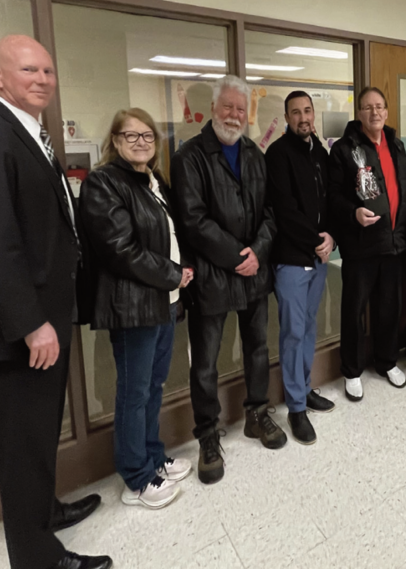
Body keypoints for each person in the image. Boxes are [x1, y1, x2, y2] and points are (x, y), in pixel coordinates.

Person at [0, 35, 110, 569]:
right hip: (19, 330)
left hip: (44, 321)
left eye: (47, 71)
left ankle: (44, 512)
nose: (41, 79)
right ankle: (38, 558)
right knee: (22, 447)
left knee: (39, 437)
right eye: (28, 70)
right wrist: (32, 324)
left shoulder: (29, 133)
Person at [170, 75, 284, 485]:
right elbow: (193, 221)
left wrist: (258, 252)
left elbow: (272, 213)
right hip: (213, 278)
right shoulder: (189, 157)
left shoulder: (255, 153)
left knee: (257, 349)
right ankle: (207, 435)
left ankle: (257, 414)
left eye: (241, 109)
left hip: (254, 274)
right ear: (213, 109)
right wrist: (238, 257)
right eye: (228, 107)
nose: (234, 116)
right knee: (205, 364)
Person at [80, 108, 195, 508]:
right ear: (114, 141)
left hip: (164, 302)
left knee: (153, 387)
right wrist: (172, 274)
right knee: (134, 391)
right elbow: (121, 251)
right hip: (133, 306)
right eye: (131, 136)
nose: (141, 142)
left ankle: (152, 456)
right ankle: (136, 478)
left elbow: (168, 233)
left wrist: (178, 276)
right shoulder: (103, 183)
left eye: (148, 136)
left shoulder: (152, 180)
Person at [327, 86, 406, 401]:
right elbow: (333, 195)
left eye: (379, 107)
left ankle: (387, 361)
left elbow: (404, 192)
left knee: (390, 307)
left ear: (386, 111)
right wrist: (353, 213)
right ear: (359, 113)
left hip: (393, 244)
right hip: (360, 245)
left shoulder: (396, 146)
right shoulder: (344, 150)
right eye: (367, 107)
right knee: (354, 310)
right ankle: (351, 370)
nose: (374, 113)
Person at [265, 91, 336, 445]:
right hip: (292, 260)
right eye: (296, 113)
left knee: (308, 328)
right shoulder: (277, 155)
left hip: (318, 258)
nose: (303, 118)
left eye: (308, 111)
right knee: (293, 332)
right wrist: (318, 241)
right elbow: (285, 210)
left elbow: (330, 202)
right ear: (287, 117)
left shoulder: (320, 153)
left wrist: (332, 238)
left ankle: (304, 389)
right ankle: (295, 407)